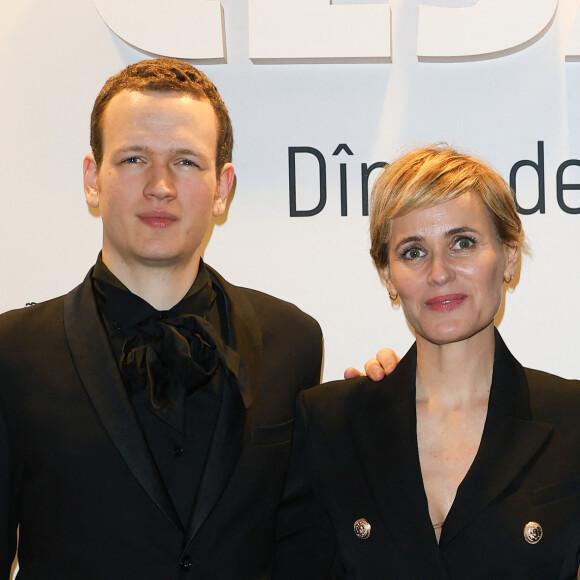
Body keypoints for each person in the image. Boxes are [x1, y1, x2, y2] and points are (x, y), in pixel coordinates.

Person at [0, 58, 394, 579]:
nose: (160, 185)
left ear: (222, 187)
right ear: (93, 179)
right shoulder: (13, 352)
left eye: (186, 161)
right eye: (134, 158)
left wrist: (381, 423)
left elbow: (306, 550)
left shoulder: (291, 341)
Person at [274, 145, 580, 579]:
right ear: (387, 276)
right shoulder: (331, 422)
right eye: (413, 252)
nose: (439, 272)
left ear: (509, 256)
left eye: (463, 243)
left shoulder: (572, 418)